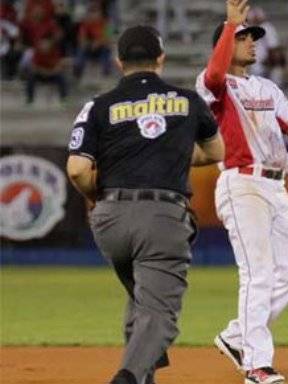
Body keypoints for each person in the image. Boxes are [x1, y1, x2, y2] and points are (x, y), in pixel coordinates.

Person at [65, 25, 225, 384]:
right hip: (162, 218)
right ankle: (128, 378)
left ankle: (143, 377)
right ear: (161, 59)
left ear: (119, 62)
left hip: (109, 221)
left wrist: (95, 198)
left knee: (141, 301)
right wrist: (173, 152)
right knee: (159, 313)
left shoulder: (97, 105)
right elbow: (217, 151)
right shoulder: (187, 101)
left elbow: (77, 169)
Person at [195, 1, 288, 383]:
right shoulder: (216, 84)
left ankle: (236, 335)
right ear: (226, 44)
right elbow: (212, 76)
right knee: (257, 272)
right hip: (242, 183)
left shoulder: (267, 87)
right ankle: (256, 364)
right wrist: (230, 24)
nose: (253, 42)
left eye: (253, 37)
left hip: (275, 186)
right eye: (245, 38)